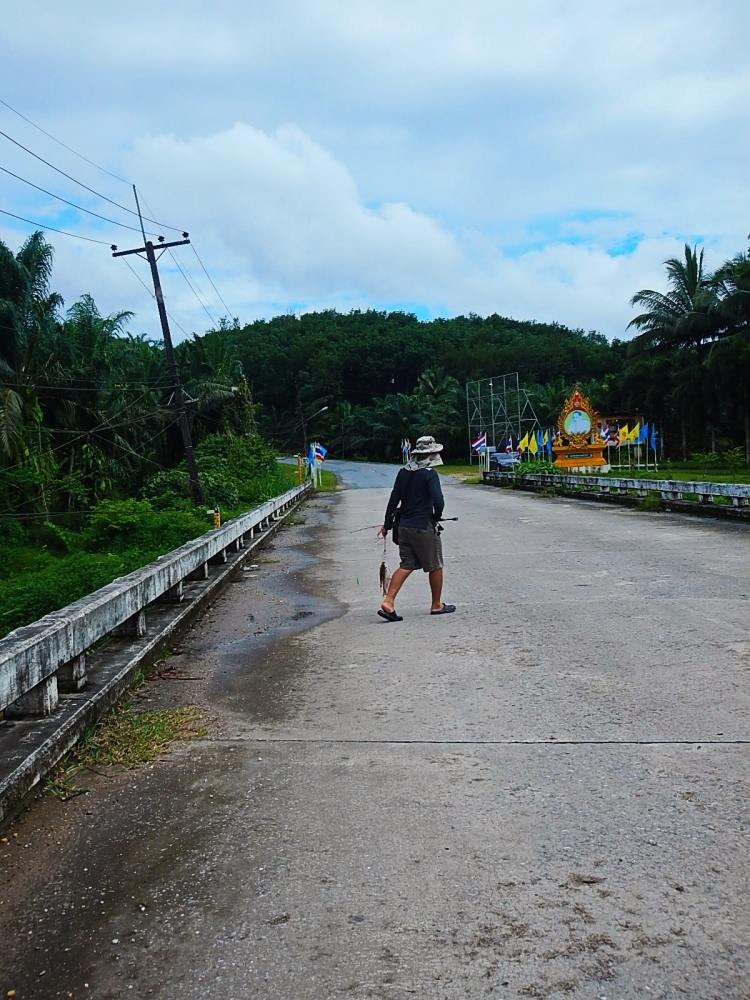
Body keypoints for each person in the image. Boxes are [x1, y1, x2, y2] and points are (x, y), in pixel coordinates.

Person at [377, 435, 456, 622]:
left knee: (406, 564)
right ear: (430, 454)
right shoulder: (429, 474)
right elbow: (439, 500)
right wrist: (436, 517)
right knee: (435, 565)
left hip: (403, 526)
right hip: (423, 527)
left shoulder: (403, 472)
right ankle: (436, 604)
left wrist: (387, 524)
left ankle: (388, 601)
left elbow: (394, 499)